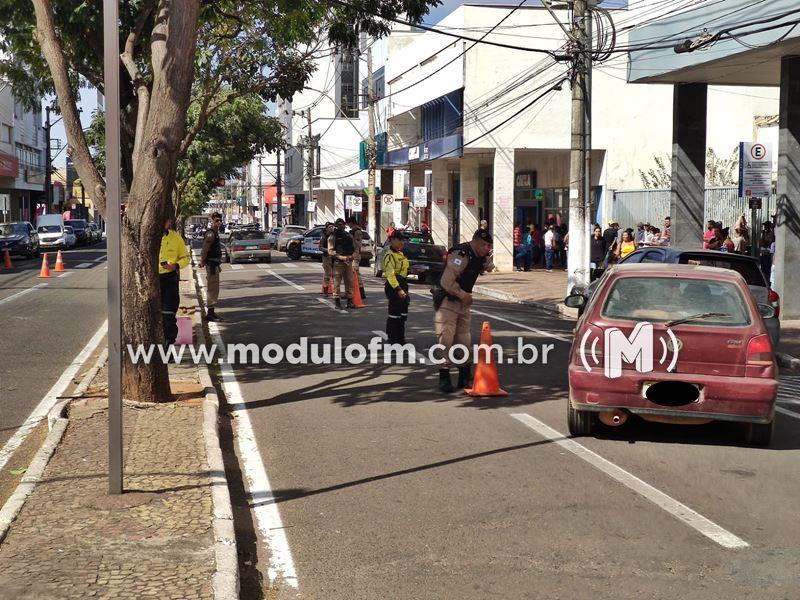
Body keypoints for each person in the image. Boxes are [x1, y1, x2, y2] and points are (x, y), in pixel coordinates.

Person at [433, 229, 495, 393]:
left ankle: (464, 374)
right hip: (448, 299)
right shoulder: (461, 254)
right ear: (474, 242)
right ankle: (444, 376)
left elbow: (486, 268)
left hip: (463, 301)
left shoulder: (479, 256)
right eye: (484, 245)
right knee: (446, 338)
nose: (486, 248)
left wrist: (487, 262)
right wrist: (462, 294)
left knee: (463, 338)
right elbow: (447, 281)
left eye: (488, 245)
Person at [159, 215, 190, 345]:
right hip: (152, 279)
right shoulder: (149, 237)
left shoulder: (175, 238)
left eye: (167, 220)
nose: (166, 222)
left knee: (168, 314)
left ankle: (168, 345)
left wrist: (175, 266)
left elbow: (185, 258)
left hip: (169, 279)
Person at [383, 229, 410, 343]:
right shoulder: (389, 255)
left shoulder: (400, 254)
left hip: (403, 283)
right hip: (394, 285)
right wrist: (398, 289)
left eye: (403, 240)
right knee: (395, 313)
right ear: (393, 240)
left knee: (403, 313)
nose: (402, 243)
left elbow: (405, 269)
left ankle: (401, 338)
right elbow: (390, 275)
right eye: (399, 240)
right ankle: (393, 339)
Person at [199, 212, 224, 321]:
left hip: (215, 264)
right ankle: (210, 313)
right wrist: (202, 261)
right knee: (212, 289)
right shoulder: (211, 234)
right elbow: (205, 249)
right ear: (212, 221)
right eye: (216, 220)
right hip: (211, 264)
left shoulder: (216, 233)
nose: (218, 222)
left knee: (215, 289)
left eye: (219, 220)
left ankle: (212, 312)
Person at [328, 218, 356, 310]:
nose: (341, 226)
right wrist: (341, 257)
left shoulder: (349, 236)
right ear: (336, 225)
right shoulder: (333, 237)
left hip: (348, 262)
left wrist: (352, 256)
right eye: (339, 224)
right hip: (338, 262)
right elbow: (330, 251)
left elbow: (355, 248)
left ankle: (350, 301)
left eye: (342, 224)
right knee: (336, 283)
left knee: (349, 282)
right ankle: (337, 301)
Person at [347, 218, 366, 300]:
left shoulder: (357, 231)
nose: (348, 225)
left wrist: (351, 238)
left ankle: (361, 293)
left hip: (355, 254)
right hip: (351, 254)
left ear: (352, 223)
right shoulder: (352, 231)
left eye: (349, 223)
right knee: (351, 274)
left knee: (355, 273)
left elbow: (358, 244)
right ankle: (352, 292)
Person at [319, 222, 334, 297]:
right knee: (328, 274)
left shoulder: (334, 235)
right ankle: (325, 291)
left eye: (332, 227)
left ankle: (336, 291)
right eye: (330, 227)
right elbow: (320, 247)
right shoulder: (324, 236)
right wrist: (328, 250)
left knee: (336, 274)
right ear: (326, 228)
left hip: (335, 257)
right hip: (326, 257)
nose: (332, 228)